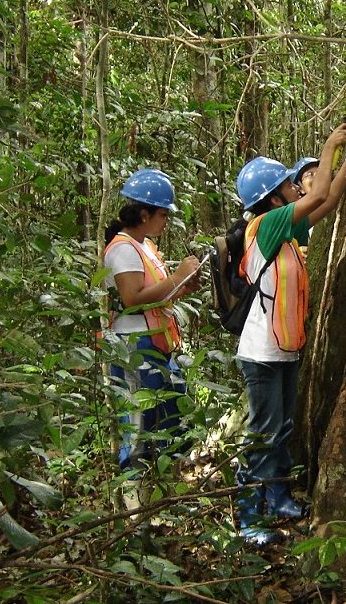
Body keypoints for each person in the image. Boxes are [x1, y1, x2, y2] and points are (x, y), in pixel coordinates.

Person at [233, 124, 346, 545]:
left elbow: (326, 201)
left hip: (285, 350)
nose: (296, 189)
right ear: (273, 199)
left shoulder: (286, 229)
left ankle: (277, 497)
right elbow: (315, 196)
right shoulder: (266, 225)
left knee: (283, 427)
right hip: (261, 352)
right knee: (264, 430)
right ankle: (247, 515)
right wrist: (330, 145)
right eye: (288, 186)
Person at [102, 169, 201, 494]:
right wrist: (177, 278)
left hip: (157, 344)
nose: (166, 221)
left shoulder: (146, 247)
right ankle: (134, 499)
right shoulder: (123, 249)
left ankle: (167, 489)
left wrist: (182, 286)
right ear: (143, 214)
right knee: (137, 421)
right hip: (133, 347)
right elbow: (132, 298)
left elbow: (158, 293)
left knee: (171, 412)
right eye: (162, 214)